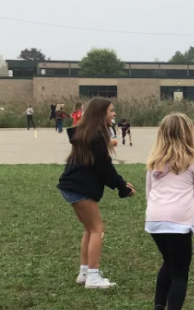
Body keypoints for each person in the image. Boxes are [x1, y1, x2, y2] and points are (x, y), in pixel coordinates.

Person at [57, 97, 136, 289]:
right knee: (97, 229)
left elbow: (101, 166)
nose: (114, 114)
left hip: (71, 186)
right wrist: (122, 186)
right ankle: (93, 277)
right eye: (111, 111)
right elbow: (105, 168)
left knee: (90, 229)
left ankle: (85, 272)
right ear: (101, 114)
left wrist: (121, 185)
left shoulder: (87, 134)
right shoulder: (95, 138)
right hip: (78, 188)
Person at [145, 113, 194, 310]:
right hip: (180, 221)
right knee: (181, 272)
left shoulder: (154, 160)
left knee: (168, 263)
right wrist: (192, 218)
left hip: (155, 220)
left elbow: (150, 190)